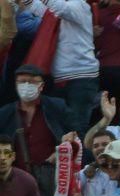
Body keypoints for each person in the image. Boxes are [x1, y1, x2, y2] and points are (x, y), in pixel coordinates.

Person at [0, 64, 73, 196]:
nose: (26, 85)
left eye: (32, 81)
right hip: (17, 179)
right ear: (15, 85)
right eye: (22, 81)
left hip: (52, 177)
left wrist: (63, 148)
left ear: (41, 86)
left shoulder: (57, 107)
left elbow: (75, 135)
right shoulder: (5, 113)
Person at [39, 0, 100, 136]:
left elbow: (59, 8)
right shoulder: (60, 9)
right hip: (62, 77)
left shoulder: (78, 4)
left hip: (81, 76)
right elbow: (40, 9)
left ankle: (80, 157)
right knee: (59, 127)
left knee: (76, 127)